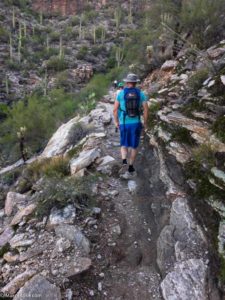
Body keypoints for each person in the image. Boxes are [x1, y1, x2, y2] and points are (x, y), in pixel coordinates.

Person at [113, 73, 148, 177]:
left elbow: (115, 110)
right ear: (135, 83)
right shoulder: (141, 94)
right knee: (134, 146)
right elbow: (146, 110)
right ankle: (131, 166)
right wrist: (145, 123)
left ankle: (124, 161)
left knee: (124, 144)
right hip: (136, 123)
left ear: (127, 82)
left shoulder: (120, 93)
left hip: (124, 122)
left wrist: (116, 122)